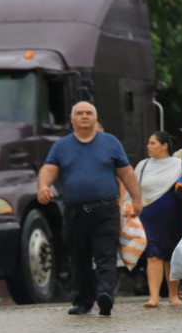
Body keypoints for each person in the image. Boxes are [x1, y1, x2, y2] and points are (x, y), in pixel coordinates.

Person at [37, 101, 142, 316]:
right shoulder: (61, 145)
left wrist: (137, 199)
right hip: (74, 211)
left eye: (88, 113)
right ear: (72, 119)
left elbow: (126, 172)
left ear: (95, 118)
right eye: (80, 113)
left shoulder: (110, 143)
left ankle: (105, 295)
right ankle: (83, 301)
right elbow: (49, 168)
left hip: (105, 210)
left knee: (105, 254)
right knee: (79, 257)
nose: (84, 116)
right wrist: (44, 186)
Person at [135, 131, 182, 308]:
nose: (149, 146)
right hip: (148, 215)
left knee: (171, 255)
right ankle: (154, 297)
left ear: (165, 145)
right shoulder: (143, 165)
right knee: (153, 254)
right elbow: (133, 187)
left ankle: (173, 295)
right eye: (148, 143)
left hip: (172, 215)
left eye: (153, 143)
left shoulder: (178, 164)